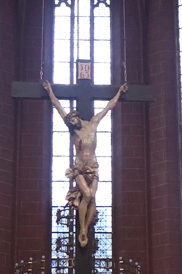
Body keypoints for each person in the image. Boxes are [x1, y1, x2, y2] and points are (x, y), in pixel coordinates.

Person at [42, 80, 127, 246]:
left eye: (73, 120)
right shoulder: (74, 132)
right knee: (87, 195)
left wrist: (119, 93)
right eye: (69, 122)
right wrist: (49, 90)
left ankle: (85, 231)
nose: (72, 123)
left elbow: (108, 107)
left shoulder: (93, 123)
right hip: (80, 168)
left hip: (93, 167)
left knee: (92, 198)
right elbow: (58, 106)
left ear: (76, 116)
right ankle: (82, 229)